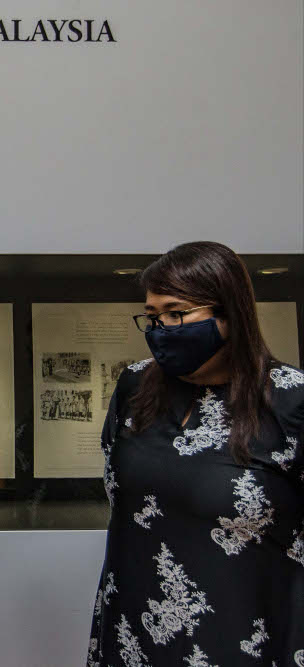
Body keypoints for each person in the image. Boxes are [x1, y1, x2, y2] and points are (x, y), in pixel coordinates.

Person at [88, 242, 304, 666]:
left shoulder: (291, 400)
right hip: (135, 629)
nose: (161, 329)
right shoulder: (134, 386)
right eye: (152, 316)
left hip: (247, 635)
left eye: (176, 313)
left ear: (230, 313)